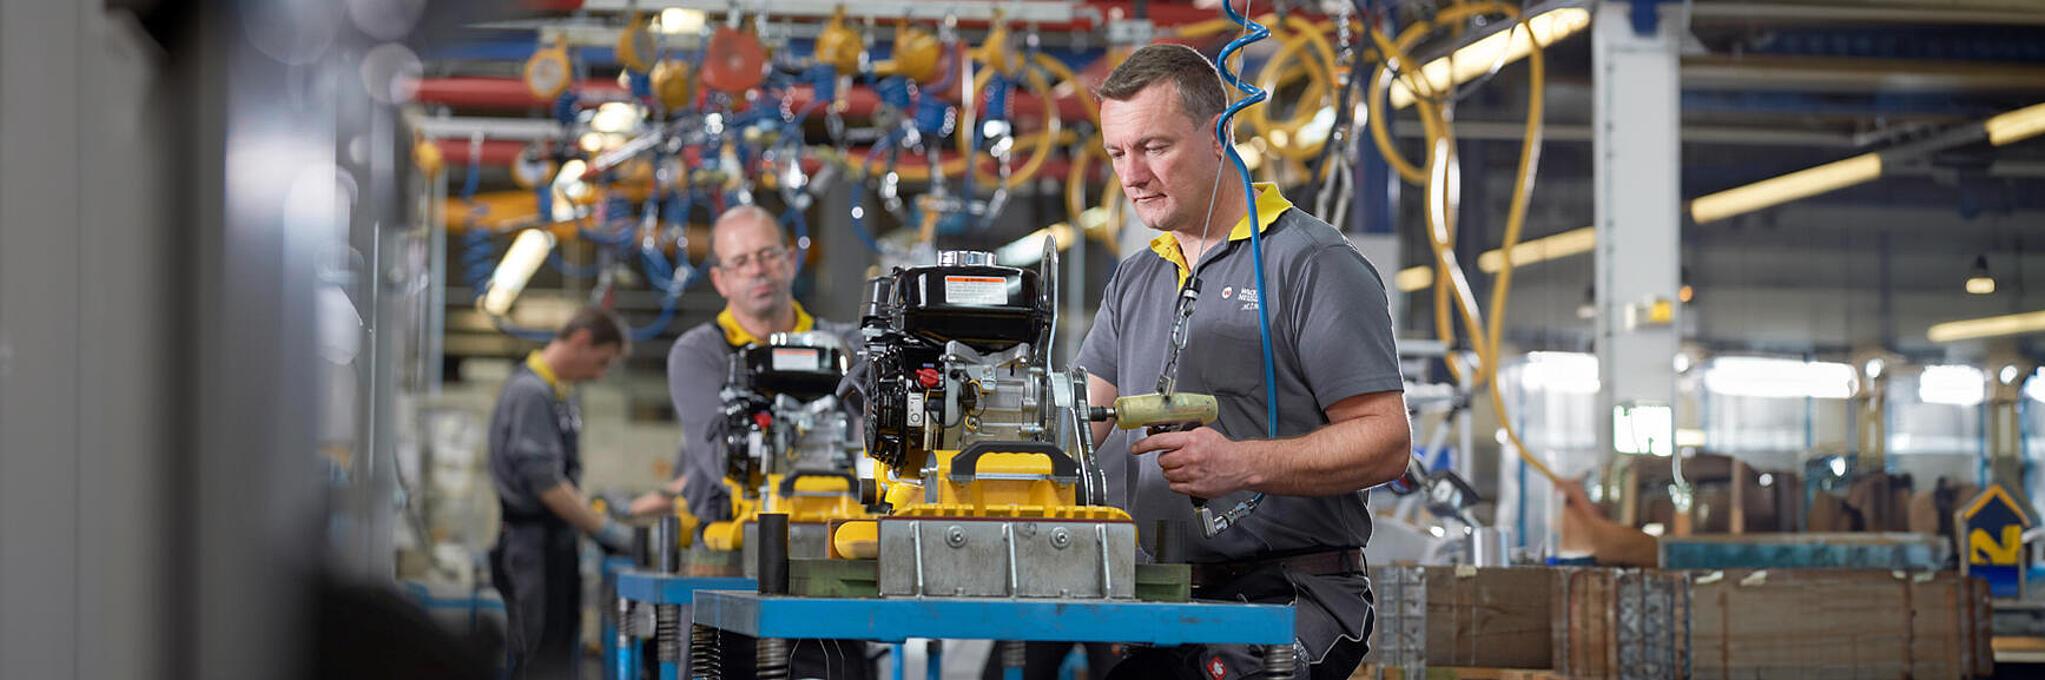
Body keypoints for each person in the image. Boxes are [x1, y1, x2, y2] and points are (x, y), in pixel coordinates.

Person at [1078, 44, 1412, 679]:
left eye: (1154, 147)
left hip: (1288, 598)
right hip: (1168, 600)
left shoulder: (1311, 264)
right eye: (1117, 153)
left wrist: (1239, 463)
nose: (1132, 175)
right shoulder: (1137, 278)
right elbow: (1079, 421)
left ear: (1220, 134)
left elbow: (1387, 442)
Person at [631, 204, 870, 679]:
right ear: (720, 280)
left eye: (767, 254)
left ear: (791, 260)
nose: (757, 269)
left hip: (830, 567)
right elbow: (721, 459)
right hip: (728, 568)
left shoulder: (846, 347)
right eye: (740, 261)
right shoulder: (701, 352)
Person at [487, 306, 635, 678]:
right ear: (581, 340)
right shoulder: (530, 392)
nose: (600, 375)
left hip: (553, 543)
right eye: (601, 362)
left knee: (555, 652)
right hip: (530, 546)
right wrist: (604, 529)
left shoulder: (558, 394)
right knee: (536, 655)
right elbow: (547, 484)